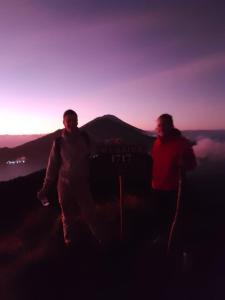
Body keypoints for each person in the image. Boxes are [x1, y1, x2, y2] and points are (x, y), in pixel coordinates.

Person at [37, 109, 100, 247]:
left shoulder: (85, 138)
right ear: (64, 123)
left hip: (81, 183)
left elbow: (99, 146)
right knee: (67, 216)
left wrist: (113, 143)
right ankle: (70, 243)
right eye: (68, 121)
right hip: (64, 184)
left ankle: (100, 239)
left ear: (77, 121)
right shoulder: (58, 142)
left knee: (90, 212)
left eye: (74, 120)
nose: (71, 123)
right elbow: (52, 166)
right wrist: (46, 186)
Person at [150, 113, 196, 245]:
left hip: (174, 188)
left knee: (175, 217)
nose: (161, 127)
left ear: (171, 125)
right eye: (159, 124)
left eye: (165, 124)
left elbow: (192, 165)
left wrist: (184, 163)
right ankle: (162, 237)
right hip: (157, 186)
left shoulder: (182, 144)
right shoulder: (156, 143)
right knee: (159, 215)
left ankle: (177, 242)